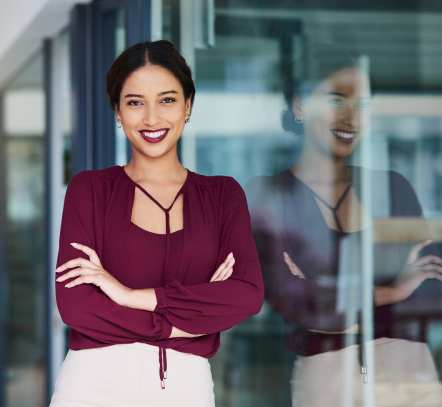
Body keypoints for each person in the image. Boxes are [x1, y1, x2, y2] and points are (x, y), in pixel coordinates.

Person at [49, 40, 263, 407]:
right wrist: (194, 318)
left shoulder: (223, 195)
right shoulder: (90, 190)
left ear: (188, 105)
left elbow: (246, 295)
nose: (152, 118)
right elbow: (77, 307)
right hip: (91, 386)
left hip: (186, 388)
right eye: (135, 102)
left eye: (167, 100)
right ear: (117, 110)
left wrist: (129, 296)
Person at [246, 47, 442, 406]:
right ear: (300, 105)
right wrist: (395, 291)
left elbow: (433, 292)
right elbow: (301, 305)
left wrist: (329, 292)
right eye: (336, 101)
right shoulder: (270, 195)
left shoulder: (393, 187)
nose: (352, 118)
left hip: (410, 376)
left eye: (363, 105)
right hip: (327, 379)